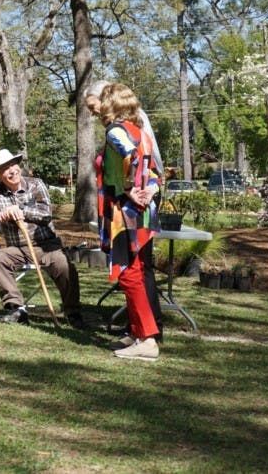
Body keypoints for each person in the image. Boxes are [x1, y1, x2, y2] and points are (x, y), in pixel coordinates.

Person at [85, 80, 165, 348]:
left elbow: (130, 162)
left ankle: (147, 338)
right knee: (138, 272)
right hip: (143, 215)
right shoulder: (140, 132)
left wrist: (128, 188)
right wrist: (147, 191)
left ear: (111, 104)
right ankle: (137, 333)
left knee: (129, 274)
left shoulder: (115, 132)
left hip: (123, 215)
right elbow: (154, 174)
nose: (96, 112)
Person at [0, 149, 84, 328]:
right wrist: (0, 216)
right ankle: (17, 309)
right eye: (5, 168)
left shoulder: (36, 185)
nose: (12, 170)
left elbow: (46, 215)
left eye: (13, 165)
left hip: (47, 246)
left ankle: (73, 312)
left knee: (64, 265)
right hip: (18, 249)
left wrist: (21, 211)